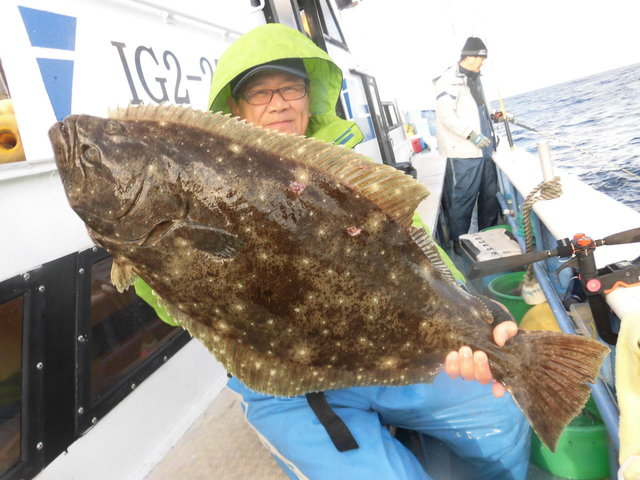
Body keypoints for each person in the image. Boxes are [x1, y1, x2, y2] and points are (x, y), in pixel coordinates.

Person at [137, 24, 530, 479]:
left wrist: (479, 310)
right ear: (233, 107)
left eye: (290, 88)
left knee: (502, 415)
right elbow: (178, 309)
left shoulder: (347, 173)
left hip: (384, 346)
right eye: (260, 94)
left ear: (310, 98)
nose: (279, 102)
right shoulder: (196, 187)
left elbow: (419, 253)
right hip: (286, 378)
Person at [433, 37, 501, 254]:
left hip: (485, 148)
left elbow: (476, 110)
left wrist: (494, 116)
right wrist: (471, 135)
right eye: (481, 59)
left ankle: (488, 235)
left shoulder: (475, 78)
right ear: (469, 56)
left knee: (490, 195)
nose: (483, 63)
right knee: (464, 197)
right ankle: (459, 241)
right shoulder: (448, 80)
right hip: (464, 150)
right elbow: (447, 116)